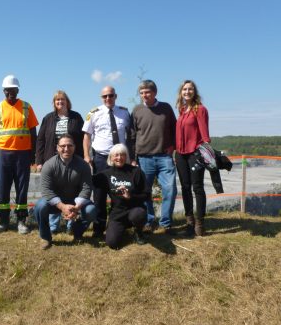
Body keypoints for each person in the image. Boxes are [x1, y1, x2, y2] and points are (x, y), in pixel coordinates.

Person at [0, 74, 39, 234]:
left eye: (14, 90)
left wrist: (32, 156)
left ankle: (21, 222)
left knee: (22, 189)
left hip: (22, 154)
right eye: (8, 90)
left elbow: (33, 132)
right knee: (2, 188)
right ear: (4, 91)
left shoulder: (26, 107)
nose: (11, 93)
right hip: (2, 154)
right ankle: (3, 221)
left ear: (18, 90)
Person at [82, 85, 132, 238]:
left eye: (111, 95)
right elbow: (87, 136)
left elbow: (130, 135)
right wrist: (86, 155)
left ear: (115, 96)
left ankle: (119, 226)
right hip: (101, 159)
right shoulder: (93, 113)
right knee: (99, 195)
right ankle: (98, 229)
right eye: (105, 96)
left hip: (120, 159)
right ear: (101, 98)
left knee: (119, 194)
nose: (108, 98)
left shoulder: (124, 112)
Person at [33, 134, 97, 250]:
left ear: (74, 147)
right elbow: (46, 190)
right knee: (40, 206)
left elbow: (86, 188)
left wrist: (77, 207)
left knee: (91, 210)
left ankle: (77, 233)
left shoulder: (83, 165)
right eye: (63, 146)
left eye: (69, 145)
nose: (66, 149)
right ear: (57, 148)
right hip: (56, 202)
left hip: (76, 202)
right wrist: (62, 206)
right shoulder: (49, 164)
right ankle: (46, 237)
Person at [130, 79, 177, 233]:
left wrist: (173, 149)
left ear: (155, 92)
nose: (144, 95)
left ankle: (165, 223)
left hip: (165, 157)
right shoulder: (136, 110)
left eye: (147, 92)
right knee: (145, 192)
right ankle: (149, 220)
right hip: (144, 158)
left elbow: (175, 129)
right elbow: (132, 135)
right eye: (142, 93)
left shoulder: (166, 108)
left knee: (170, 189)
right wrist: (133, 158)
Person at [35, 90, 84, 234]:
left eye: (62, 100)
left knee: (72, 190)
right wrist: (39, 161)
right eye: (57, 100)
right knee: (53, 190)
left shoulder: (76, 117)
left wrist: (83, 158)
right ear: (54, 103)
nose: (60, 102)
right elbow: (40, 140)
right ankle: (54, 226)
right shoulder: (48, 118)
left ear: (67, 102)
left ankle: (71, 224)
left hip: (73, 159)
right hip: (52, 160)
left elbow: (82, 139)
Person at [93, 144, 148, 249]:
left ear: (126, 156)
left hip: (134, 209)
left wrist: (130, 196)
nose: (119, 158)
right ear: (111, 157)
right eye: (116, 155)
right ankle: (121, 229)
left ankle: (139, 232)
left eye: (122, 155)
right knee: (112, 243)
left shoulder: (136, 172)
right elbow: (89, 181)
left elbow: (146, 195)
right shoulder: (106, 174)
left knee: (138, 214)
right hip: (117, 212)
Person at [175, 80, 211, 236]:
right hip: (180, 154)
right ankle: (189, 223)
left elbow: (204, 134)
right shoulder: (182, 110)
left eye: (190, 89)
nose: (187, 92)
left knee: (197, 187)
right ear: (181, 92)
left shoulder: (200, 110)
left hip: (195, 153)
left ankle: (200, 224)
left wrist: (205, 150)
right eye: (184, 89)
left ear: (194, 92)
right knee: (185, 188)